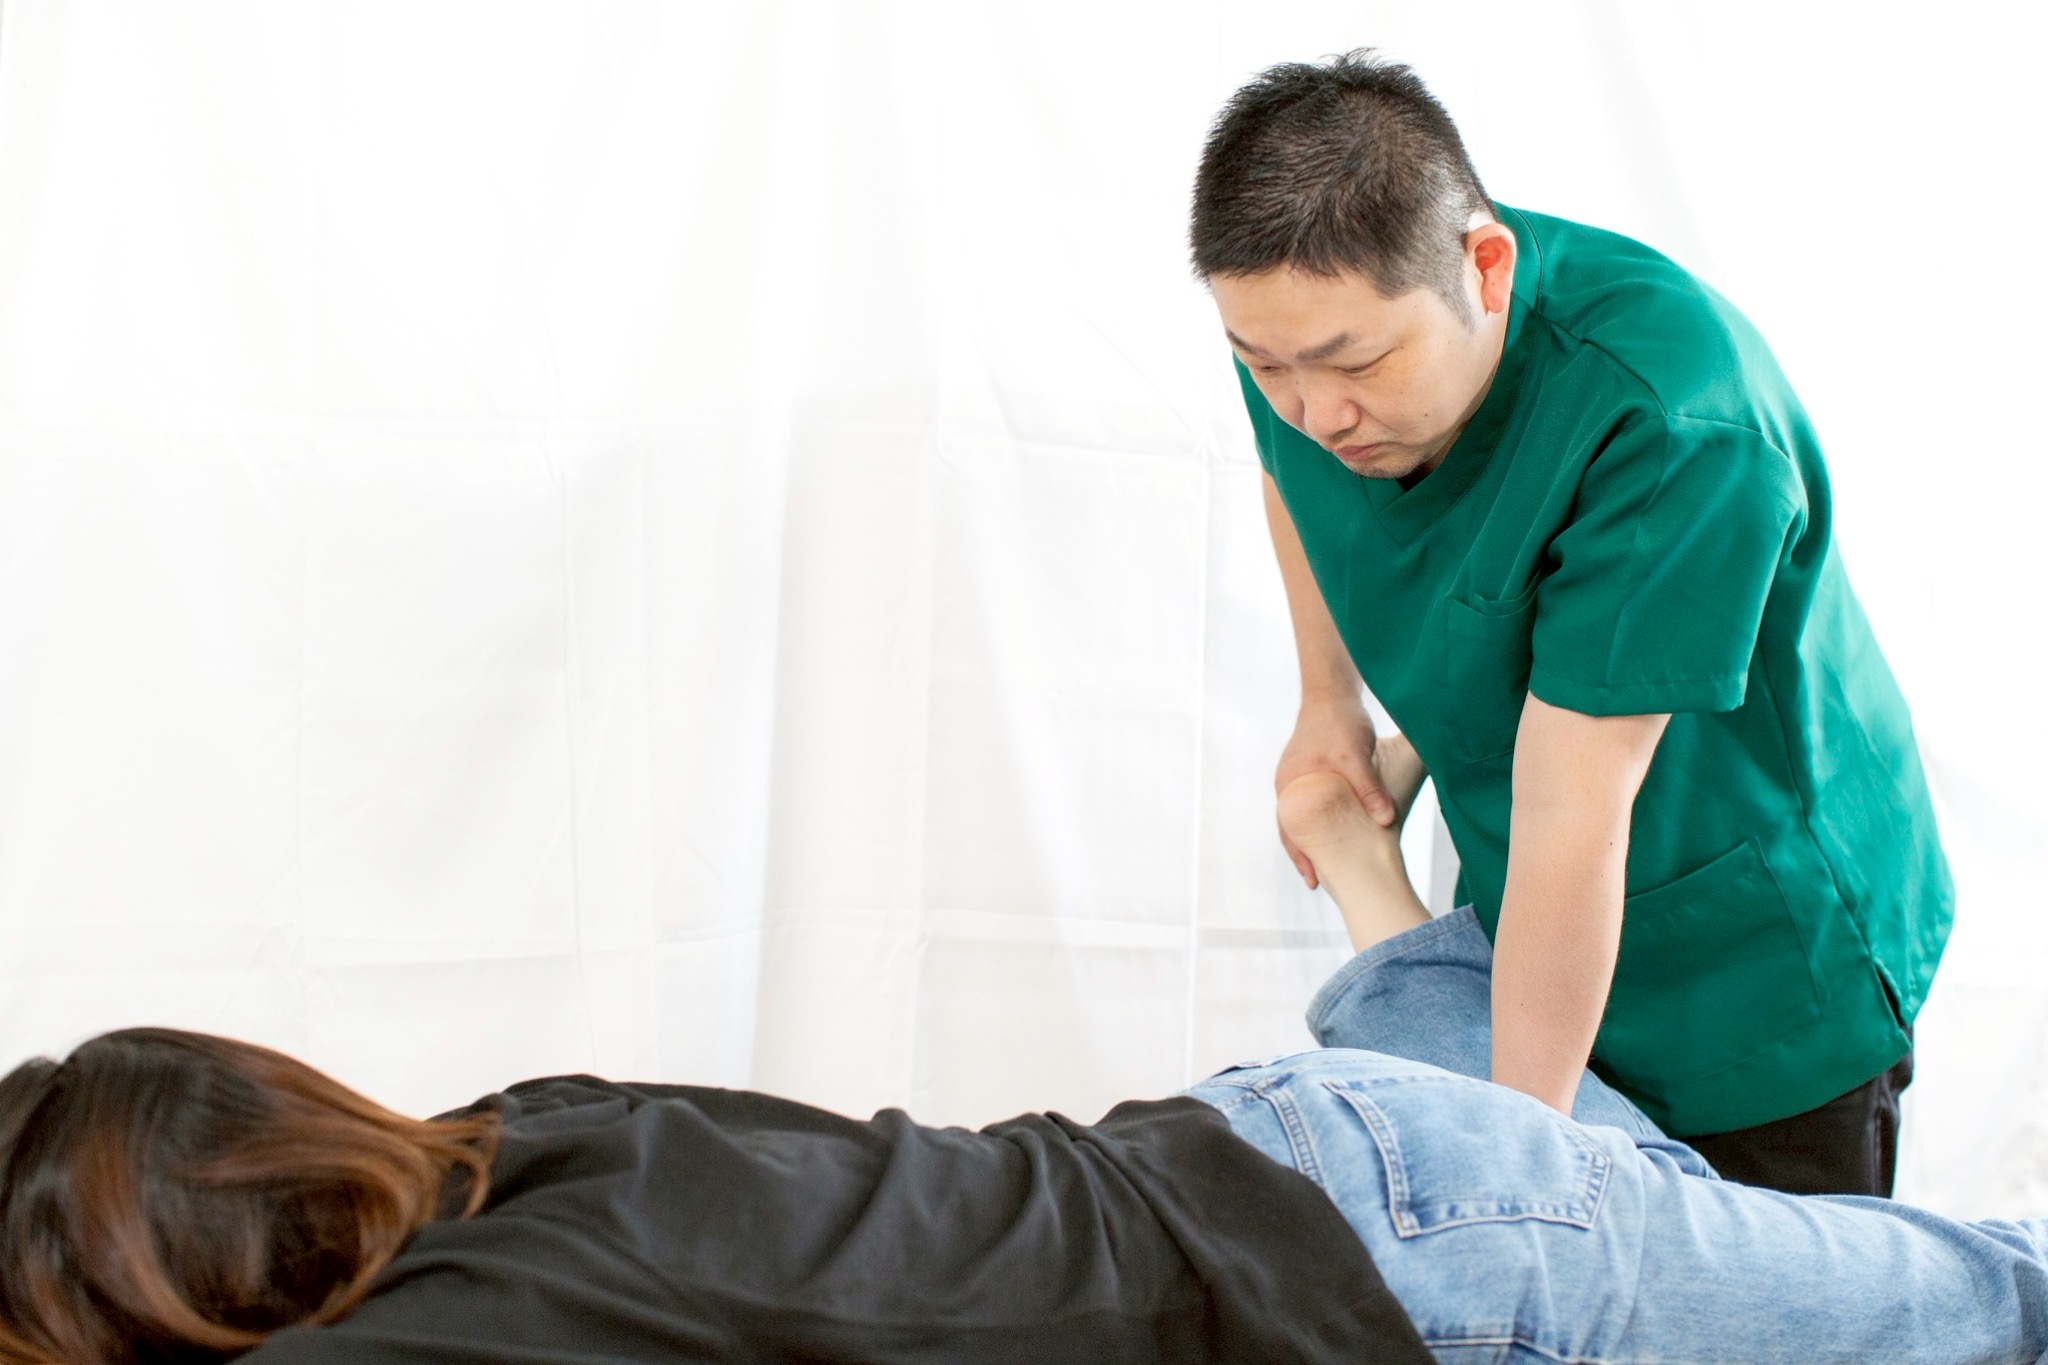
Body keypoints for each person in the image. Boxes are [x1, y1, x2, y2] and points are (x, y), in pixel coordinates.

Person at [1, 763, 2044, 1365]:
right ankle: (1383, 919)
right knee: (1598, 1179)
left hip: (1413, 1254)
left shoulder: (461, 1324)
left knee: (1985, 1307)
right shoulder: (510, 1147)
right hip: (1293, 1155)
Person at [1189, 50, 1951, 1195]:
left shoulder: (1671, 419)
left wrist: (1522, 1180)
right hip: (1536, 899)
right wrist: (1324, 700)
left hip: (1753, 953)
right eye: (1263, 367)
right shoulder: (1312, 330)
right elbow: (1283, 468)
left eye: (1354, 367)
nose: (1314, 413)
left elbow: (1569, 806)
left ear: (1484, 267)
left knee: (1718, 1271)